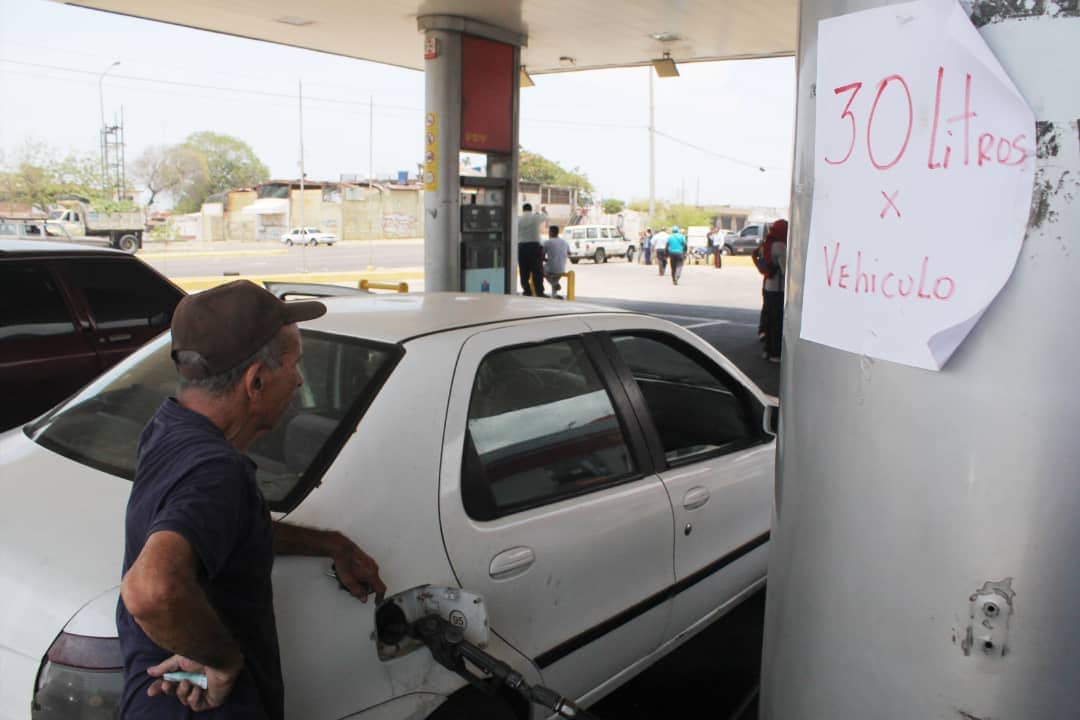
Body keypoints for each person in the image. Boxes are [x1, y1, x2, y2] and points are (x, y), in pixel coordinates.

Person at [117, 280, 387, 720]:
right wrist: (224, 662)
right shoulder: (217, 471)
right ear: (256, 381)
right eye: (293, 365)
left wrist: (329, 545)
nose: (299, 380)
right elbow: (150, 590)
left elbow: (222, 524)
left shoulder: (170, 427)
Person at [756, 219, 788, 362]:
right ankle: (775, 353)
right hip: (778, 288)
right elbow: (786, 271)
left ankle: (767, 350)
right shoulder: (780, 246)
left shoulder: (766, 244)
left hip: (768, 286)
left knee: (769, 319)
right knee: (777, 321)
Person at [517, 203, 547, 296]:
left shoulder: (518, 219)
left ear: (523, 210)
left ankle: (527, 291)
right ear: (531, 209)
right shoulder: (535, 217)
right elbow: (545, 216)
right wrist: (543, 210)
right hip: (534, 247)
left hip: (521, 247)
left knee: (523, 270)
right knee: (537, 270)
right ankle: (539, 292)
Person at [543, 224, 571, 298]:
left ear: (551, 232)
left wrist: (547, 260)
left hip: (551, 269)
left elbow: (541, 256)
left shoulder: (547, 242)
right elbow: (569, 253)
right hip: (562, 269)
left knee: (540, 270)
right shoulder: (565, 242)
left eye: (549, 232)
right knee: (555, 278)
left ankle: (554, 284)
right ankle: (554, 295)